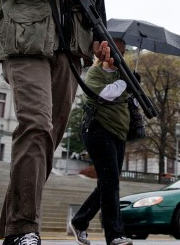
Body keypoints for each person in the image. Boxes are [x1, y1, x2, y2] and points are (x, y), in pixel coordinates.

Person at [0, 0, 110, 245]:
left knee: (47, 139)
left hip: (68, 53)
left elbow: (98, 6)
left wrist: (103, 40)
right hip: (27, 45)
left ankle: (11, 229)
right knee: (36, 126)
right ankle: (25, 229)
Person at [70, 40, 134, 245]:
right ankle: (114, 234)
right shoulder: (94, 73)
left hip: (118, 133)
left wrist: (132, 82)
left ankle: (80, 221)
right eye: (115, 51)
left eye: (122, 52)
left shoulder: (123, 75)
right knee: (110, 182)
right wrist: (125, 83)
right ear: (103, 51)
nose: (118, 56)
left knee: (108, 182)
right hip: (98, 131)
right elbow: (106, 94)